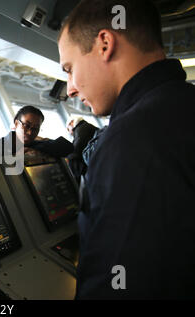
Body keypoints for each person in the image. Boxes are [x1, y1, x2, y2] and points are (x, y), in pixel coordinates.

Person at [58, 0, 195, 299]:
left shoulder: (129, 142)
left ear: (105, 43)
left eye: (69, 69)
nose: (70, 88)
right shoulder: (183, 104)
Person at [0, 105, 73, 160]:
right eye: (26, 125)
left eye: (35, 129)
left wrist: (38, 151)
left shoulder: (36, 145)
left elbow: (68, 147)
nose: (30, 133)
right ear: (16, 123)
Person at [66, 117, 99, 184]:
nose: (69, 132)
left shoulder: (81, 128)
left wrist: (67, 158)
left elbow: (77, 149)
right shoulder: (86, 126)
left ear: (71, 123)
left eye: (68, 129)